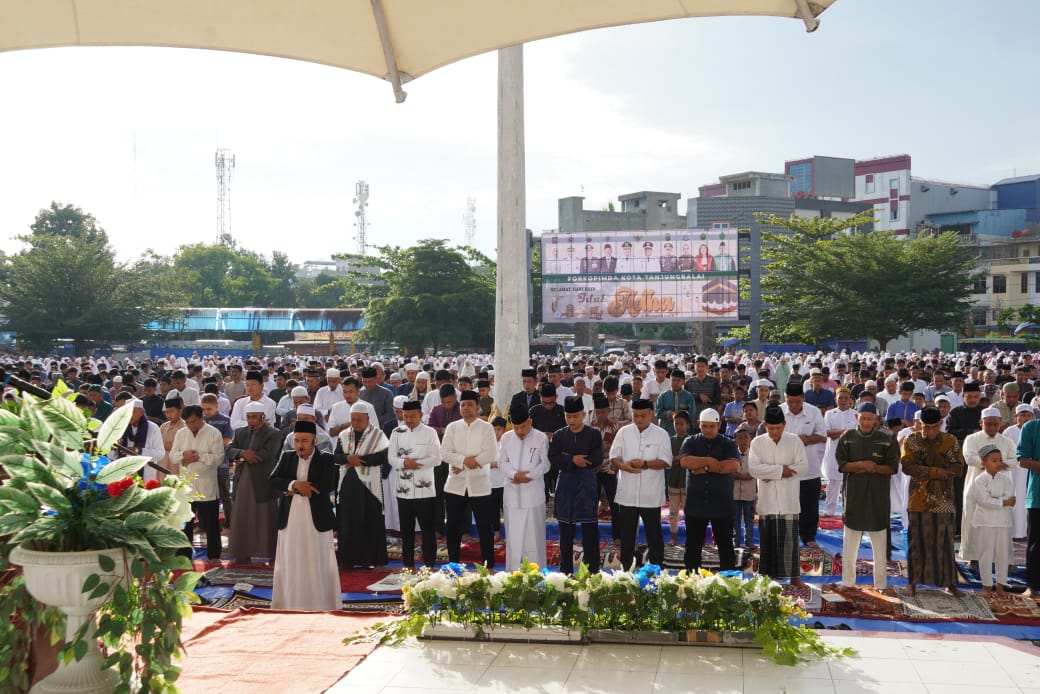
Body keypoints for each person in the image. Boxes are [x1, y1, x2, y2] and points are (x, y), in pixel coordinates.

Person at [269, 420, 340, 611]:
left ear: (314, 440)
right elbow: (273, 480)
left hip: (316, 519)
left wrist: (297, 488)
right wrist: (294, 485)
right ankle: (290, 603)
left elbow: (327, 484)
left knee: (315, 558)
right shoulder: (287, 457)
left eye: (305, 440)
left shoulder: (325, 458)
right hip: (290, 520)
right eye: (297, 440)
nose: (300, 444)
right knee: (292, 559)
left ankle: (319, 604)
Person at [901, 406, 964, 596]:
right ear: (919, 424)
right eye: (926, 427)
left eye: (934, 427)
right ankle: (912, 583)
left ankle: (949, 583)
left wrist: (942, 470)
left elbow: (958, 466)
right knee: (917, 541)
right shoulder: (911, 440)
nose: (929, 431)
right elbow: (907, 466)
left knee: (944, 541)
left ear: (941, 424)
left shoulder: (950, 441)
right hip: (918, 499)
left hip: (944, 499)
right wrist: (935, 471)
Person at [835, 402, 898, 589]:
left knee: (879, 540)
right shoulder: (847, 437)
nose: (866, 421)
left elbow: (893, 467)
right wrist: (863, 465)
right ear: (857, 418)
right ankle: (848, 581)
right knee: (850, 540)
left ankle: (880, 583)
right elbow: (842, 464)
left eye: (870, 418)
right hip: (854, 494)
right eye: (863, 418)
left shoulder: (886, 438)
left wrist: (876, 468)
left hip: (877, 496)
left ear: (876, 419)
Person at [749, 405, 809, 586]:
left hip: (788, 498)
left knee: (790, 539)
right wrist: (782, 471)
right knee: (767, 539)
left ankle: (794, 577)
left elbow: (803, 467)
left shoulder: (794, 441)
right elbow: (754, 469)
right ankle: (766, 576)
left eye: (778, 427)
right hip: (767, 500)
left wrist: (770, 474)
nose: (774, 431)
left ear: (784, 424)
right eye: (771, 428)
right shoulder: (757, 442)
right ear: (765, 425)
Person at [609, 398, 671, 569]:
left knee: (654, 534)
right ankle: (625, 571)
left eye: (643, 416)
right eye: (635, 416)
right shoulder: (624, 432)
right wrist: (623, 466)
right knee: (627, 535)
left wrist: (644, 464)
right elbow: (614, 457)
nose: (639, 419)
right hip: (627, 493)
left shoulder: (661, 434)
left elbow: (666, 461)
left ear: (651, 413)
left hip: (650, 494)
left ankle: (657, 572)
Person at [677, 409, 740, 572]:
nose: (708, 430)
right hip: (696, 505)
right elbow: (684, 461)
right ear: (699, 424)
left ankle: (728, 584)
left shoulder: (728, 443)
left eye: (712, 426)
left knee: (726, 548)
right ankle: (691, 584)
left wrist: (703, 468)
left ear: (719, 425)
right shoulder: (690, 441)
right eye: (704, 426)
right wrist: (710, 462)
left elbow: (734, 465)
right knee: (692, 548)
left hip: (721, 505)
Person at [442, 390, 498, 568]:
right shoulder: (452, 427)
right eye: (463, 404)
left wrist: (462, 463)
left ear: (477, 407)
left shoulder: (486, 427)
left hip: (480, 485)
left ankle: (487, 565)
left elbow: (490, 454)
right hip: (455, 485)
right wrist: (466, 461)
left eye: (470, 404)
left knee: (484, 527)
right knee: (453, 527)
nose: (466, 408)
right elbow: (444, 453)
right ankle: (453, 565)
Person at [549, 396, 604, 574]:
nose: (572, 420)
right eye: (568, 417)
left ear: (583, 415)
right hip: (565, 485)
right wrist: (573, 459)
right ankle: (565, 572)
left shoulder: (593, 434)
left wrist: (568, 457)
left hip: (587, 486)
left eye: (575, 416)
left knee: (590, 532)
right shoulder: (559, 435)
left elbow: (597, 458)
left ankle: (591, 572)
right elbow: (553, 458)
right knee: (565, 533)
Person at [334, 402, 390, 569]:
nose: (356, 423)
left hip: (369, 488)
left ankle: (376, 561)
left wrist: (357, 460)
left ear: (368, 419)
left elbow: (383, 457)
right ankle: (347, 561)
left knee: (371, 522)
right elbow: (336, 456)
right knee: (347, 523)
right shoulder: (344, 435)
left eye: (359, 420)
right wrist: (346, 459)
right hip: (348, 485)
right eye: (353, 420)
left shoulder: (378, 435)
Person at [959, 406, 1017, 563]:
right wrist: (990, 463)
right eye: (988, 424)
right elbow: (969, 458)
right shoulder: (972, 439)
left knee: (1001, 522)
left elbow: (1015, 460)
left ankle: (1003, 558)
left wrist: (998, 463)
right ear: (981, 422)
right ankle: (973, 557)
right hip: (976, 487)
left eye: (995, 424)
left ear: (1000, 423)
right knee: (973, 521)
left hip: (1001, 488)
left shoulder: (1006, 441)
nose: (992, 428)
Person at [227, 401, 283, 563]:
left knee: (266, 518)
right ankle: (242, 553)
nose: (251, 420)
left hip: (263, 481)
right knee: (242, 516)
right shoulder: (240, 432)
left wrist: (242, 457)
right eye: (249, 417)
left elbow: (267, 454)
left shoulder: (274, 433)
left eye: (254, 417)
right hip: (243, 480)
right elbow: (230, 450)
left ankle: (268, 553)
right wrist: (243, 454)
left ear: (262, 417)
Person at [388, 401, 442, 568]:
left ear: (420, 415)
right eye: (406, 416)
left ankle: (429, 565)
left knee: (427, 529)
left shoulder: (429, 432)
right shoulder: (396, 432)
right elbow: (391, 458)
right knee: (407, 530)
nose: (409, 419)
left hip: (424, 490)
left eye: (412, 416)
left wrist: (416, 463)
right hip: (403, 490)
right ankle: (408, 565)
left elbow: (437, 458)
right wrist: (405, 463)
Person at [169, 404, 226, 560]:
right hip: (186, 487)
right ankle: (183, 557)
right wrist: (184, 455)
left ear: (202, 418)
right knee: (185, 525)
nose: (191, 425)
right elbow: (173, 456)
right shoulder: (181, 433)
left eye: (194, 421)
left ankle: (214, 557)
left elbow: (218, 459)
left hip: (207, 487)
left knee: (211, 526)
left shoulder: (214, 433)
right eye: (188, 422)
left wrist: (197, 456)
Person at [498, 405, 551, 570]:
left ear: (530, 422)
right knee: (513, 540)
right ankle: (513, 576)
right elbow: (501, 462)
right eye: (516, 427)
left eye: (523, 427)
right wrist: (514, 474)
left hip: (533, 496)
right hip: (512, 497)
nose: (520, 431)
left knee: (534, 539)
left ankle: (537, 578)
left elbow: (546, 464)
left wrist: (529, 476)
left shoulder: (541, 438)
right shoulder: (506, 438)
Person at [781, 382, 827, 546]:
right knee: (785, 505)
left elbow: (822, 435)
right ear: (785, 398)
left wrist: (806, 440)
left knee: (809, 506)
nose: (793, 405)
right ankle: (787, 536)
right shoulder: (778, 411)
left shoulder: (813, 412)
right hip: (785, 468)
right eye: (790, 401)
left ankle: (808, 537)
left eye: (797, 402)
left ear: (803, 398)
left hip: (809, 469)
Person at [971, 443, 1016, 595]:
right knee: (986, 554)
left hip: (1003, 521)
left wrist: (996, 500)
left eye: (1000, 460)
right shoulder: (979, 480)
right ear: (983, 462)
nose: (998, 463)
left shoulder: (1006, 479)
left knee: (1003, 554)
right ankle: (986, 587)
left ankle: (1001, 586)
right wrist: (1002, 502)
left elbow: (1011, 496)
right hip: (985, 522)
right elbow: (983, 500)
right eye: (994, 460)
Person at [823, 388, 858, 517]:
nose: (843, 400)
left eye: (845, 398)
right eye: (840, 398)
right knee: (833, 482)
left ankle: (849, 511)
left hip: (851, 452)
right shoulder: (829, 414)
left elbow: (857, 434)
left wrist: (839, 432)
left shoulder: (856, 414)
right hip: (834, 451)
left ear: (850, 400)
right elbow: (828, 433)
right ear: (835, 399)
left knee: (850, 483)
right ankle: (829, 512)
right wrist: (846, 432)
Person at [666, 411, 692, 546]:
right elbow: (667, 460)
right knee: (673, 512)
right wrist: (680, 459)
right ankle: (674, 538)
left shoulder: (692, 440)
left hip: (688, 482)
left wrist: (678, 459)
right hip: (673, 481)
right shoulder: (670, 440)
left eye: (681, 424)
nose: (678, 426)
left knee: (689, 512)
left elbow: (690, 461)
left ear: (688, 425)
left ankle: (690, 538)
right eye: (676, 424)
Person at [731, 424, 757, 549]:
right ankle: (735, 541)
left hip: (749, 493)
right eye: (739, 438)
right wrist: (742, 476)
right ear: (735, 440)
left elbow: (753, 473)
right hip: (734, 493)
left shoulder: (754, 455)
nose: (742, 441)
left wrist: (738, 475)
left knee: (749, 518)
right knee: (734, 519)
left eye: (745, 438)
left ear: (750, 439)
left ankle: (749, 541)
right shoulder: (731, 454)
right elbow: (729, 472)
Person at [654, 369, 696, 437]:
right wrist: (670, 414)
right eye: (673, 380)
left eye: (678, 380)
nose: (675, 382)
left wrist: (680, 415)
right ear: (669, 381)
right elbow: (657, 413)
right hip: (666, 431)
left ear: (683, 382)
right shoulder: (663, 396)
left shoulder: (689, 396)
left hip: (684, 433)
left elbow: (692, 414)